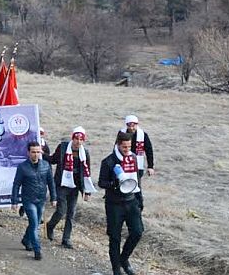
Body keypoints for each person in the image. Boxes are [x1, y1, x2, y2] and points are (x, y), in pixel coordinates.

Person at [98, 132, 144, 275]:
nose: (127, 149)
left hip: (131, 201)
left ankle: (124, 259)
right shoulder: (108, 162)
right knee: (115, 237)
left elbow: (137, 180)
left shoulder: (134, 158)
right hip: (114, 204)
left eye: (129, 146)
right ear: (118, 145)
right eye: (124, 147)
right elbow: (101, 182)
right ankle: (116, 269)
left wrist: (140, 199)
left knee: (137, 232)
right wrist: (114, 184)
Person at [45, 126, 97, 249]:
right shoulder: (63, 147)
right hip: (62, 184)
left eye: (81, 139)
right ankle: (50, 226)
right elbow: (53, 160)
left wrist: (87, 191)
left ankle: (66, 238)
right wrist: (42, 154)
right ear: (72, 138)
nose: (78, 142)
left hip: (75, 186)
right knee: (61, 211)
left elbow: (86, 172)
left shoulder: (85, 153)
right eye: (76, 138)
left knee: (71, 213)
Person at [11, 141, 57, 261]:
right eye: (33, 152)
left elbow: (51, 183)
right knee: (34, 224)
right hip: (28, 200)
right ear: (28, 153)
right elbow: (16, 184)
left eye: (38, 152)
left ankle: (26, 240)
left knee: (34, 223)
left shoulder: (46, 165)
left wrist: (54, 197)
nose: (35, 154)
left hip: (41, 199)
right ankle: (37, 249)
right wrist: (14, 201)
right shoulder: (22, 167)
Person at [120, 115, 155, 210]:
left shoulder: (143, 135)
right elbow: (116, 148)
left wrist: (150, 166)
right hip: (123, 165)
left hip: (137, 166)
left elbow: (149, 150)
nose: (131, 128)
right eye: (129, 125)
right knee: (124, 184)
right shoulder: (122, 134)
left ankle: (139, 206)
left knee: (136, 186)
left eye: (133, 125)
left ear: (137, 124)